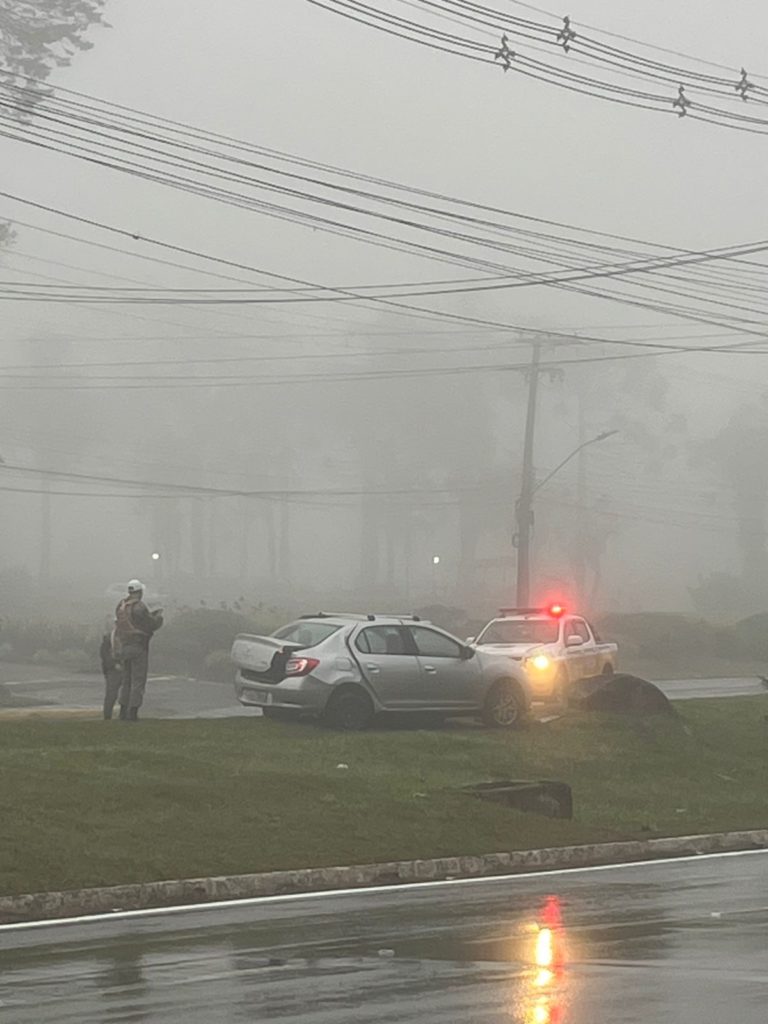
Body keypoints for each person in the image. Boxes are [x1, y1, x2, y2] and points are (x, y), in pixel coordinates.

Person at [112, 580, 163, 721]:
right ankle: (133, 712)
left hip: (124, 646)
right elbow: (150, 624)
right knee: (138, 680)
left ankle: (123, 710)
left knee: (126, 680)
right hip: (139, 646)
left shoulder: (121, 605)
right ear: (140, 592)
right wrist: (158, 617)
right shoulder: (139, 607)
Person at [100, 626, 124, 721]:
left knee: (126, 694)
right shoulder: (108, 638)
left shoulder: (130, 636)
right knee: (111, 694)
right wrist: (113, 665)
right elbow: (104, 654)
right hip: (113, 670)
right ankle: (107, 716)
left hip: (126, 668)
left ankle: (124, 715)